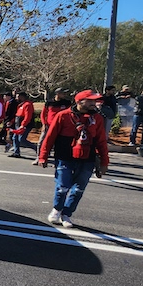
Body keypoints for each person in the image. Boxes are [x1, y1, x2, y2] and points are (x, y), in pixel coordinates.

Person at [37, 90, 109, 228]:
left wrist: (105, 162)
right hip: (64, 157)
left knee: (79, 189)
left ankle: (67, 214)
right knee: (62, 186)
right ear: (79, 101)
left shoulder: (97, 119)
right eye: (90, 101)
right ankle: (57, 209)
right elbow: (50, 137)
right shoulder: (63, 116)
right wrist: (43, 156)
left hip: (87, 158)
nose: (94, 103)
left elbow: (101, 142)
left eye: (95, 101)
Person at [33, 88, 71, 164]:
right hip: (49, 126)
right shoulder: (49, 102)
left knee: (59, 144)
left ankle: (57, 160)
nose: (65, 95)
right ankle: (39, 158)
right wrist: (44, 124)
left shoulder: (67, 103)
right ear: (58, 94)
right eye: (63, 93)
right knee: (41, 141)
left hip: (61, 127)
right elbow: (43, 114)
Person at [9, 91, 34, 158]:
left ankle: (37, 148)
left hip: (25, 125)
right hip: (18, 125)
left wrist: (23, 125)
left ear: (22, 97)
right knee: (15, 138)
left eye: (17, 97)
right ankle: (16, 153)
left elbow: (28, 116)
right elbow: (17, 115)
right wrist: (12, 121)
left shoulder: (28, 104)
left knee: (22, 140)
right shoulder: (21, 105)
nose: (16, 98)